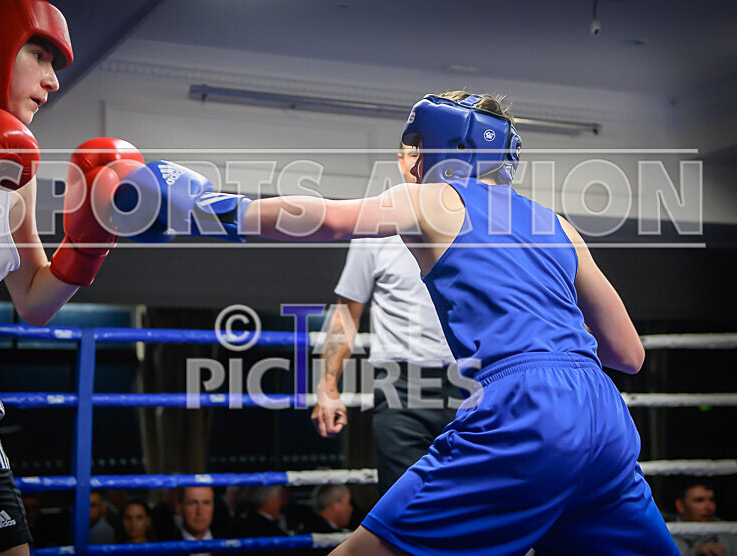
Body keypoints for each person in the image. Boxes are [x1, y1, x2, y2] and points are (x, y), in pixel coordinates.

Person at [119, 89, 679, 554]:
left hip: (521, 407)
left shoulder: (434, 199)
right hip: (605, 417)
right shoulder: (559, 224)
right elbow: (629, 355)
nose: (404, 162)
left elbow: (329, 219)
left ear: (439, 147)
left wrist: (205, 205)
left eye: (411, 148)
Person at [0, 1, 142, 554]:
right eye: (40, 54)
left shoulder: (18, 172)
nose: (53, 80)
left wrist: (89, 243)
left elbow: (32, 300)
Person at [310, 141, 457, 495]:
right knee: (404, 505)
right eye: (411, 153)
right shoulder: (375, 229)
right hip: (399, 387)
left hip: (471, 383)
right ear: (400, 160)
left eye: (427, 153)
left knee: (469, 505)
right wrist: (327, 385)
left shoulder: (474, 225)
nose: (418, 162)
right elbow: (346, 313)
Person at [672, 481, 737, 556]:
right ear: (680, 506)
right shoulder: (667, 535)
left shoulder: (730, 533)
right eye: (699, 500)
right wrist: (694, 552)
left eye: (711, 500)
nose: (709, 507)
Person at [175, 486, 215, 556]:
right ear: (179, 509)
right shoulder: (162, 550)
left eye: (206, 503)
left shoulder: (233, 547)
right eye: (192, 503)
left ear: (213, 507)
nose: (199, 511)